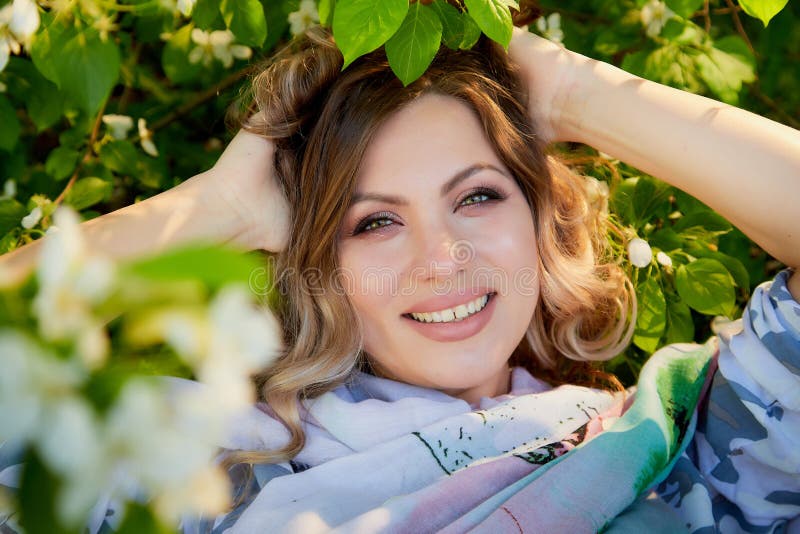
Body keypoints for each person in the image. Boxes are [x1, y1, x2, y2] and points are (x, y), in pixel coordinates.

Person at [1, 23, 799, 533]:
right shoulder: (188, 464)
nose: (440, 258)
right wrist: (214, 207)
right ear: (322, 269)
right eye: (373, 220)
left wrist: (571, 94)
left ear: (542, 222)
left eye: (478, 196)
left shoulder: (676, 453)